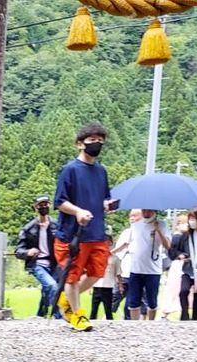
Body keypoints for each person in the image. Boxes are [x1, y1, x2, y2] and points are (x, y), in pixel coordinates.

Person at [53, 122, 114, 332]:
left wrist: (107, 205)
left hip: (97, 232)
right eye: (92, 141)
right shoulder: (70, 170)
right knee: (72, 275)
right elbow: (59, 201)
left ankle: (66, 299)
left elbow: (105, 196)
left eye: (100, 141)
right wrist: (78, 211)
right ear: (80, 144)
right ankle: (77, 315)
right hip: (73, 234)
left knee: (98, 273)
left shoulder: (101, 171)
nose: (96, 144)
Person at [116, 209, 170, 320]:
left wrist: (158, 231)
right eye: (143, 210)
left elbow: (168, 246)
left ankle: (150, 324)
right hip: (136, 268)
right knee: (133, 301)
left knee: (152, 301)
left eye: (148, 210)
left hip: (153, 270)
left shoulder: (162, 224)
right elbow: (126, 243)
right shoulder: (135, 226)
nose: (146, 212)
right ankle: (134, 325)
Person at [14, 195, 62, 319]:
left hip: (55, 264)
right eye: (41, 205)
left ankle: (40, 315)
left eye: (46, 204)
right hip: (37, 264)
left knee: (48, 289)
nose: (44, 207)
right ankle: (60, 317)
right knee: (52, 286)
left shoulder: (57, 225)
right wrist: (28, 252)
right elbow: (18, 251)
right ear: (35, 208)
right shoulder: (28, 228)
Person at [114, 210, 142, 316]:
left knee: (133, 301)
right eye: (131, 216)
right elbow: (118, 252)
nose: (132, 218)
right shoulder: (126, 232)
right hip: (125, 270)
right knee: (115, 297)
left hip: (139, 270)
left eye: (135, 216)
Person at [89, 226, 118, 320]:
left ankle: (110, 325)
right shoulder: (96, 257)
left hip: (108, 286)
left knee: (108, 309)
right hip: (97, 285)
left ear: (111, 243)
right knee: (93, 310)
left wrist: (120, 284)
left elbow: (117, 273)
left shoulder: (115, 258)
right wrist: (89, 286)